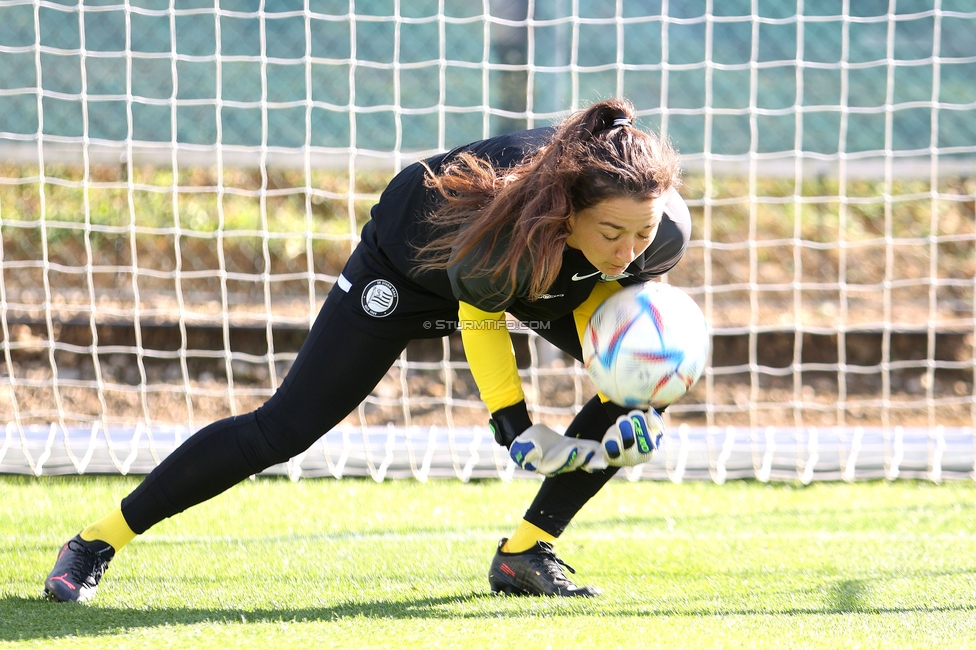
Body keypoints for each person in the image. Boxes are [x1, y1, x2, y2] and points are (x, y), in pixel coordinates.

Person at [43, 98, 690, 602]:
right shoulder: (500, 236)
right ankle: (96, 542)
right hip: (410, 269)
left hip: (538, 276)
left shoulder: (652, 231)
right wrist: (515, 428)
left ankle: (526, 553)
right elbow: (484, 316)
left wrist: (645, 409)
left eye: (644, 230)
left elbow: (635, 326)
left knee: (637, 377)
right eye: (613, 232)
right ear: (568, 211)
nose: (631, 247)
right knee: (285, 428)